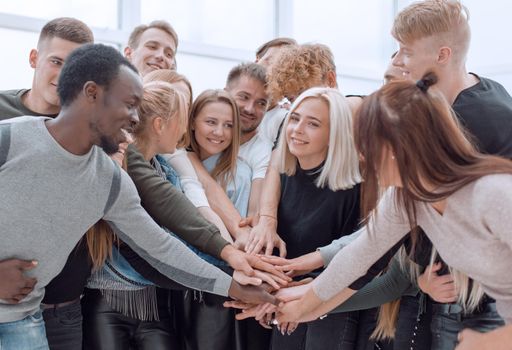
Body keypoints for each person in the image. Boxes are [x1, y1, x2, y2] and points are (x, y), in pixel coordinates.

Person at [0, 43, 275, 350]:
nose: (135, 118)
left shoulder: (111, 180)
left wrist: (235, 286)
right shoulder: (10, 138)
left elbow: (160, 248)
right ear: (92, 94)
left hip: (22, 322)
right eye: (129, 104)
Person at [275, 73, 512, 338]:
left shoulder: (492, 194)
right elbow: (357, 260)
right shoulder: (406, 198)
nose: (362, 156)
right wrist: (301, 309)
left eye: (366, 145)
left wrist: (493, 342)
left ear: (398, 146)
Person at [0, 17, 95, 349]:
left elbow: (157, 196)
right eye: (57, 61)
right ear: (33, 59)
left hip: (63, 310)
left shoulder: (92, 133)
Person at [268, 86, 362, 350]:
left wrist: (305, 295)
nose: (297, 129)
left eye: (313, 124)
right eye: (295, 118)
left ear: (334, 135)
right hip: (285, 296)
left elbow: (357, 257)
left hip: (333, 301)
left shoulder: (352, 188)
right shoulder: (283, 175)